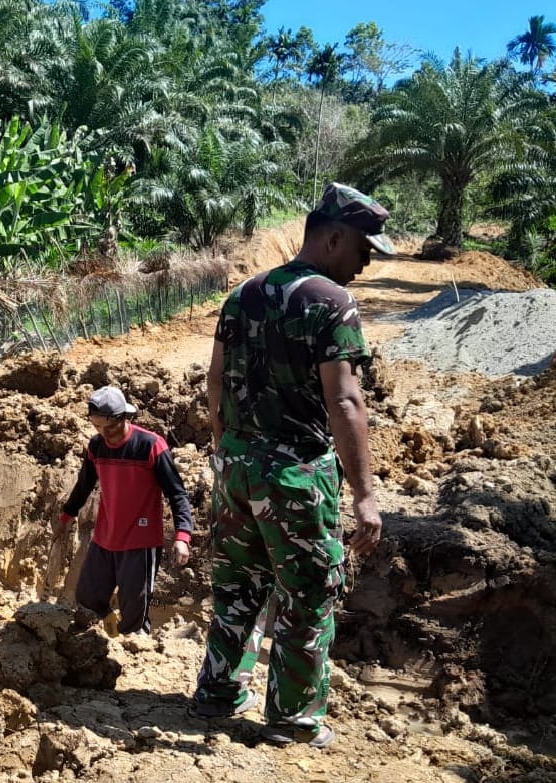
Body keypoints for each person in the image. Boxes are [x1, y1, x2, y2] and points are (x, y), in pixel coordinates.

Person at [190, 182, 388, 749]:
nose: (366, 260)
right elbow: (344, 400)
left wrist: (228, 449)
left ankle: (218, 695)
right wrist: (364, 495)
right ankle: (292, 718)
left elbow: (214, 381)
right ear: (332, 237)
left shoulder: (242, 295)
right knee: (308, 594)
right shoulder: (332, 302)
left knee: (236, 586)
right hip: (296, 476)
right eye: (363, 247)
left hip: (236, 469)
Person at [56, 386, 195, 636]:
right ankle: (110, 628)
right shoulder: (97, 446)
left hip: (140, 541)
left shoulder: (151, 446)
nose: (104, 434)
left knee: (134, 608)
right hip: (106, 535)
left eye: (109, 427)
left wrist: (183, 536)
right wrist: (68, 513)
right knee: (87, 595)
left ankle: (136, 648)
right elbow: (84, 483)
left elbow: (177, 493)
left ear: (124, 418)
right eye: (97, 427)